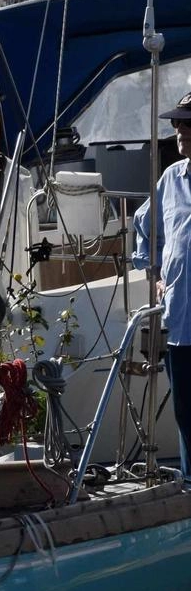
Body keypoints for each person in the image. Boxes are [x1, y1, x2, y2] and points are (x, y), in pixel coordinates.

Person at [132, 90, 191, 469]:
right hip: (183, 321)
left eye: (188, 123)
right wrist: (156, 273)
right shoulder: (172, 177)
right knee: (187, 417)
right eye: (177, 123)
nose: (179, 130)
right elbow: (145, 224)